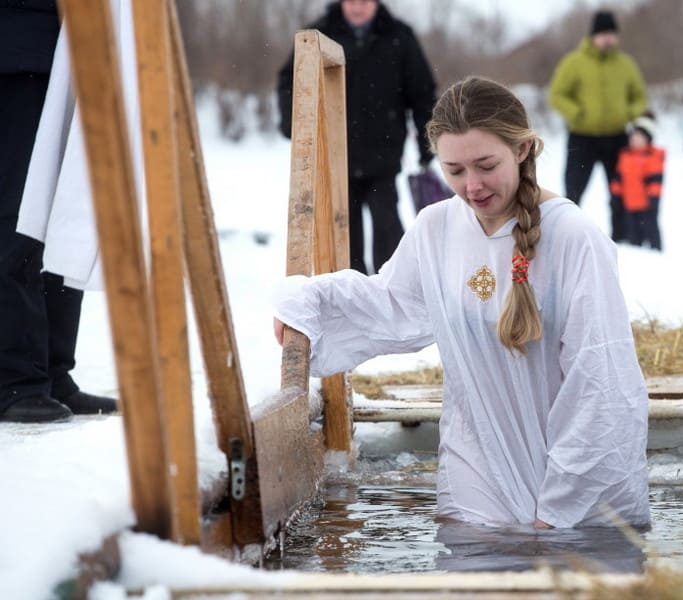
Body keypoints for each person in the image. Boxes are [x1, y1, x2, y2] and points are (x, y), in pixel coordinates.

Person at [273, 77, 650, 530]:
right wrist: (306, 300)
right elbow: (392, 305)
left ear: (524, 149)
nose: (472, 186)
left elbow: (602, 382)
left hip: (574, 498)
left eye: (485, 165)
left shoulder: (573, 238)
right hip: (477, 482)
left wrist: (560, 509)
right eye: (454, 171)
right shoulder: (437, 229)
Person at [0, 0, 117, 423]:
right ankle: (14, 379)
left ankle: (51, 371)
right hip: (16, 56)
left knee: (65, 211)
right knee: (18, 215)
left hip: (69, 50)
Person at [277, 0, 437, 274]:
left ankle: (393, 293)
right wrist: (297, 126)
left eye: (364, 1)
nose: (357, 7)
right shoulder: (320, 34)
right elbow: (290, 82)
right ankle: (350, 297)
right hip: (337, 157)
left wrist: (428, 141)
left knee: (388, 232)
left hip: (383, 156)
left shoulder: (399, 36)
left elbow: (422, 92)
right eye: (351, 0)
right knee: (343, 234)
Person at [548, 10, 648, 242]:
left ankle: (622, 239)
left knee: (620, 191)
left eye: (611, 34)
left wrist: (628, 114)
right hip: (583, 137)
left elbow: (640, 97)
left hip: (617, 137)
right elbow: (557, 95)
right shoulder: (574, 62)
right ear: (593, 35)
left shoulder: (626, 64)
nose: (607, 39)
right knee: (573, 191)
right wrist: (577, 113)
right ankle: (565, 236)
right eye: (603, 34)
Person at [610, 113, 665, 251]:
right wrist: (615, 196)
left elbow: (655, 181)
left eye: (640, 138)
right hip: (629, 205)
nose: (635, 141)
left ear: (648, 139)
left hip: (646, 206)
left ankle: (657, 254)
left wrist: (654, 199)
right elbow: (618, 179)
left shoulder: (652, 157)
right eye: (633, 137)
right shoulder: (625, 155)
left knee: (652, 233)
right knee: (633, 236)